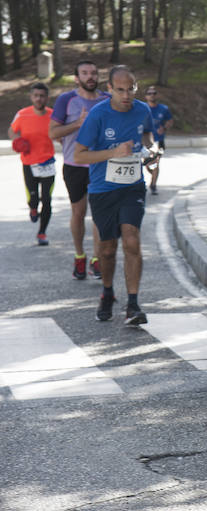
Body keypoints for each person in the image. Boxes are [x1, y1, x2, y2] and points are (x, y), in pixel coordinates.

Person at [73, 65, 153, 326]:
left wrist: (152, 153)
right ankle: (107, 292)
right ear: (109, 89)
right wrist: (113, 153)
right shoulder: (98, 115)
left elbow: (148, 138)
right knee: (107, 250)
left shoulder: (143, 110)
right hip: (102, 189)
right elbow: (79, 155)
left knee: (131, 239)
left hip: (133, 186)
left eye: (130, 89)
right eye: (120, 90)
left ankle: (133, 304)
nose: (126, 95)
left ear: (136, 88)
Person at [49, 60, 108, 279]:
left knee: (99, 215)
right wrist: (77, 124)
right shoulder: (66, 100)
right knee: (79, 213)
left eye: (93, 72)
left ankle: (97, 259)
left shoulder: (107, 100)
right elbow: (53, 133)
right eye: (85, 73)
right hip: (75, 165)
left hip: (101, 164)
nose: (90, 76)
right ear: (77, 77)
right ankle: (79, 255)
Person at [9, 83, 56, 246]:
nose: (39, 98)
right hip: (29, 162)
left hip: (48, 162)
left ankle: (42, 233)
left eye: (42, 95)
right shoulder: (22, 114)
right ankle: (33, 208)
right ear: (31, 97)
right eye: (36, 95)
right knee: (33, 196)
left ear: (46, 98)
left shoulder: (53, 115)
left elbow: (59, 132)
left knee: (47, 199)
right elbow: (12, 130)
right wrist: (18, 141)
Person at [144, 85, 172, 195]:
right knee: (148, 164)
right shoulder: (143, 108)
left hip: (159, 141)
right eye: (149, 93)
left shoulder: (163, 109)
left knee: (156, 162)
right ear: (146, 96)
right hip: (146, 142)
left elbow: (170, 120)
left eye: (154, 93)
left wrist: (164, 128)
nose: (152, 95)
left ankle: (153, 184)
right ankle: (154, 174)